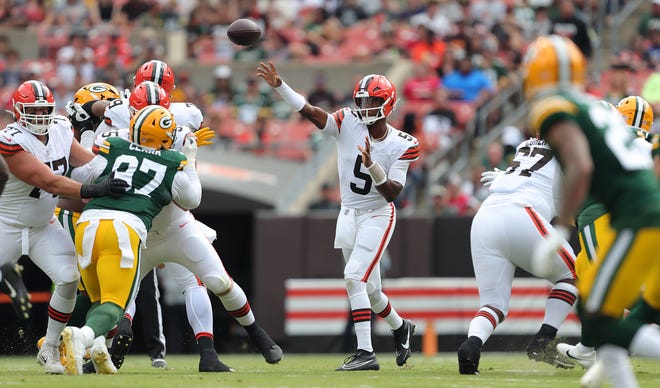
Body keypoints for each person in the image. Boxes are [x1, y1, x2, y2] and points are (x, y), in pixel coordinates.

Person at [83, 60, 283, 372]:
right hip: (138, 226)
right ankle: (102, 351)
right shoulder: (125, 131)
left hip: (168, 222)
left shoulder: (131, 129)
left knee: (213, 281)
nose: (152, 109)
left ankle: (246, 338)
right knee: (120, 296)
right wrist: (187, 157)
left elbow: (187, 197)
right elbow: (190, 194)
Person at [257, 61, 418, 371]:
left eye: (372, 101)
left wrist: (373, 165)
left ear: (387, 103)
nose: (365, 106)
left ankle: (365, 353)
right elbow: (309, 111)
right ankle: (401, 327)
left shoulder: (403, 144)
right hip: (348, 214)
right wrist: (280, 86)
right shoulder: (347, 121)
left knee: (353, 277)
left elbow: (393, 193)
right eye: (362, 100)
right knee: (370, 290)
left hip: (377, 215)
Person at [527, 35, 660, 388]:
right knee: (606, 313)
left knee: (605, 316)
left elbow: (581, 168)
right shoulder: (592, 108)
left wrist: (559, 229)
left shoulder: (556, 108)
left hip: (630, 215)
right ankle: (601, 366)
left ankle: (597, 353)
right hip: (643, 210)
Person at [60, 105, 200, 375]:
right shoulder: (172, 162)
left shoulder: (114, 146)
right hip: (124, 228)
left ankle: (97, 348)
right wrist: (191, 162)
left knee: (96, 299)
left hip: (88, 224)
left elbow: (81, 176)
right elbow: (192, 199)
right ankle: (83, 338)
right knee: (116, 303)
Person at [0, 80, 128, 374]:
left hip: (43, 225)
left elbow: (89, 163)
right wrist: (95, 190)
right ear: (18, 111)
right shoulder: (11, 139)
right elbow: (48, 181)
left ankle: (49, 348)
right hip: (5, 224)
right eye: (35, 109)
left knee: (69, 277)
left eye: (46, 108)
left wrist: (119, 172)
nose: (41, 114)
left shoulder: (59, 128)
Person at [458, 137, 578, 375]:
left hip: (486, 214)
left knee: (493, 305)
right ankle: (543, 340)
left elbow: (532, 173)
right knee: (574, 274)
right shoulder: (571, 144)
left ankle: (471, 345)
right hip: (521, 211)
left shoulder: (527, 144)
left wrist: (504, 176)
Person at [555, 97, 654, 369]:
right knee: (588, 272)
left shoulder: (606, 140)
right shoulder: (646, 142)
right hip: (639, 212)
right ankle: (589, 347)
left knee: (605, 282)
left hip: (610, 211)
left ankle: (617, 340)